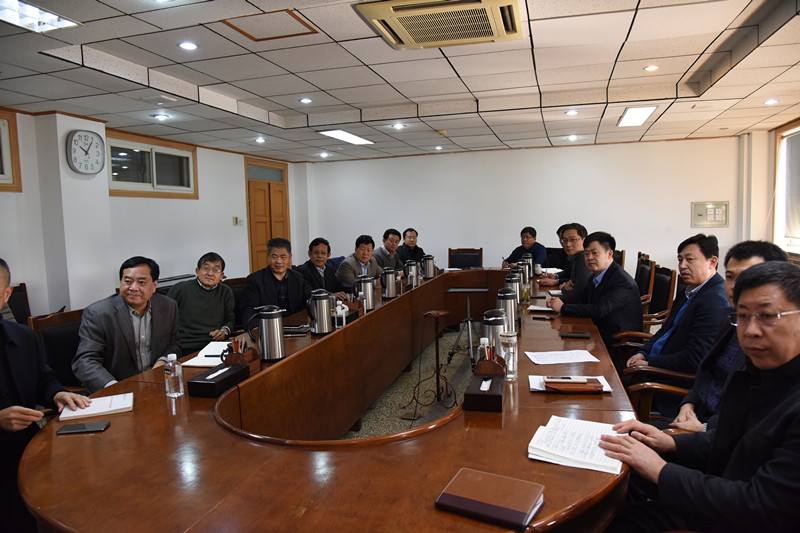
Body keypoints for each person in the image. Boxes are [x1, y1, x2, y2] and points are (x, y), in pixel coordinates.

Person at [599, 261, 800, 533]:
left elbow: (762, 505)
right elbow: (729, 439)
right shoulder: (756, 371)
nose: (751, 330)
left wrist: (660, 471)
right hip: (720, 489)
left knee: (609, 521)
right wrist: (669, 442)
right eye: (742, 316)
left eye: (767, 315)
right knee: (621, 477)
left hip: (739, 516)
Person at [0, 258, 91, 533]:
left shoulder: (22, 336)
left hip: (25, 448)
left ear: (6, 294)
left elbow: (43, 379)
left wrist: (58, 394)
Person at [669, 240, 788, 432]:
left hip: (719, 435)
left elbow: (755, 414)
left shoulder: (778, 340)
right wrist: (688, 404)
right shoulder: (729, 321)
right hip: (696, 418)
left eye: (748, 277)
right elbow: (705, 374)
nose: (735, 287)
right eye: (730, 277)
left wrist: (703, 429)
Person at [73, 256, 180, 395]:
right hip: (118, 387)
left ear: (154, 286)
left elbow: (173, 343)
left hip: (156, 385)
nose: (133, 288)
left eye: (141, 282)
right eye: (127, 281)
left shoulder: (168, 306)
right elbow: (85, 361)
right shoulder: (98, 313)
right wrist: (114, 388)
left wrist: (162, 362)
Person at [626, 234, 730, 373]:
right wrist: (643, 352)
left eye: (690, 259)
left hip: (666, 376)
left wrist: (649, 363)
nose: (682, 266)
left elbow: (695, 358)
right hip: (654, 363)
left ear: (712, 262)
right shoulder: (688, 291)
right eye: (680, 260)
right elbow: (665, 330)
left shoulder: (715, 301)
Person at [547, 231, 642, 350]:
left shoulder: (622, 282)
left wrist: (563, 308)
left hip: (619, 342)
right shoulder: (597, 275)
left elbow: (599, 310)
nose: (589, 258)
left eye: (595, 253)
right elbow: (582, 298)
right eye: (586, 253)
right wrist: (558, 301)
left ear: (609, 254)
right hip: (598, 331)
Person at [167, 252, 235, 354]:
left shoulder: (225, 291)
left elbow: (230, 319)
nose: (210, 273)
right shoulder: (180, 289)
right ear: (197, 271)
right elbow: (165, 321)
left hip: (214, 345)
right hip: (185, 347)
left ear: (221, 275)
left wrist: (224, 331)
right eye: (206, 268)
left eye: (216, 270)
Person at [241, 238, 311, 327]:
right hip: (268, 328)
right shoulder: (255, 280)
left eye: (283, 257)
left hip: (296, 326)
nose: (278, 261)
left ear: (290, 257)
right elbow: (248, 312)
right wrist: (257, 330)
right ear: (268, 256)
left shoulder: (298, 278)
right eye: (274, 257)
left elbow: (309, 302)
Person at [538, 223, 590, 294]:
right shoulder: (574, 256)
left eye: (573, 240)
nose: (568, 244)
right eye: (564, 240)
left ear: (584, 240)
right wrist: (556, 279)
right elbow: (571, 278)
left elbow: (580, 290)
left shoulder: (585, 258)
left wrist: (562, 288)